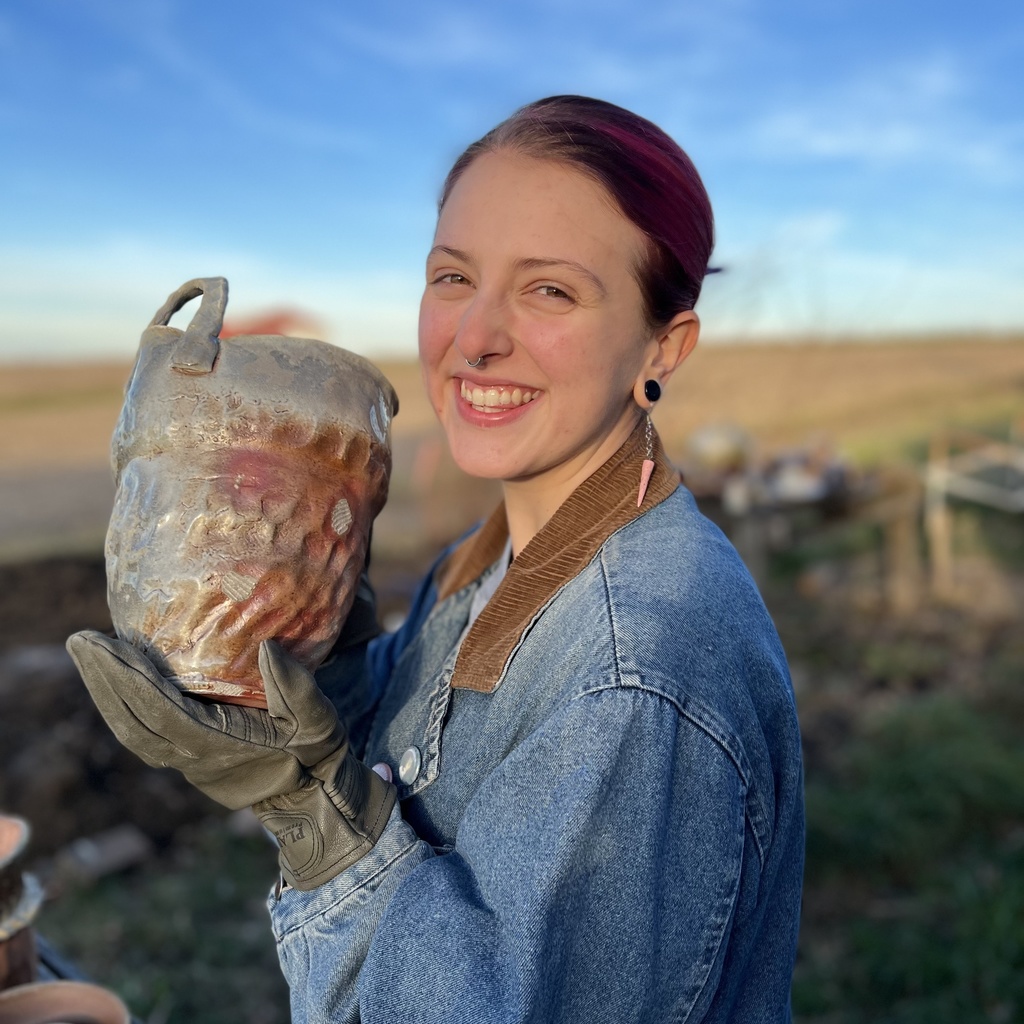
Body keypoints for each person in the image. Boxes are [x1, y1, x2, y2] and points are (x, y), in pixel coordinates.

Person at [69, 95, 804, 1023]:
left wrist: (324, 829)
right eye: (453, 278)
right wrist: (337, 685)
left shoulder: (637, 671)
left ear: (664, 344)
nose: (474, 337)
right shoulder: (491, 557)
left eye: (550, 291)